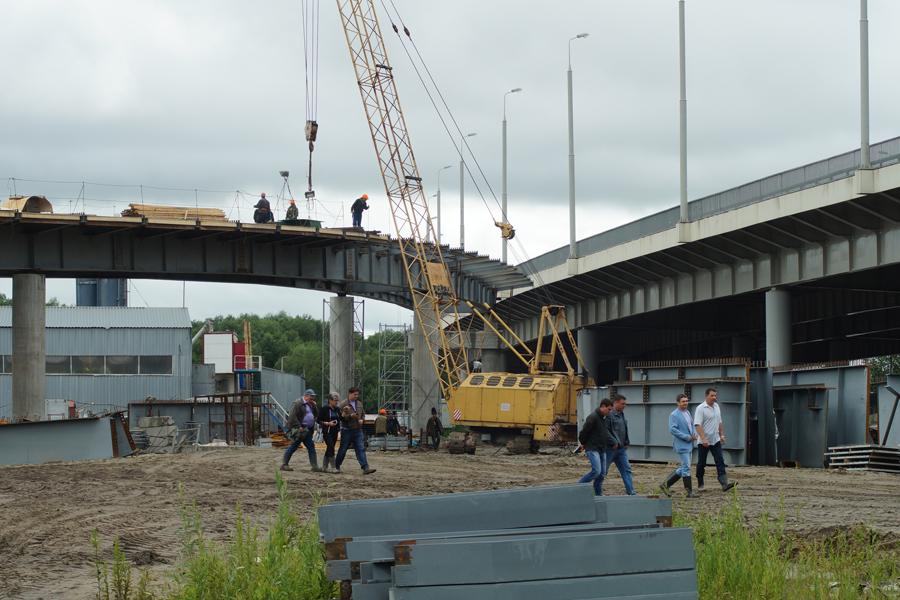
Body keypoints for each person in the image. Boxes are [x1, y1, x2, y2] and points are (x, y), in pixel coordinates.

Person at [694, 388, 736, 491]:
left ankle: (724, 484)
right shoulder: (700, 408)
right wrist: (703, 439)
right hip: (703, 442)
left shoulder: (717, 406)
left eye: (715, 396)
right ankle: (700, 483)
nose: (714, 398)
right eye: (712, 396)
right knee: (701, 463)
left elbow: (719, 422)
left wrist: (722, 435)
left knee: (720, 461)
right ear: (706, 396)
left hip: (715, 440)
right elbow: (697, 425)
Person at [660, 393, 698, 498]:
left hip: (689, 444)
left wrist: (694, 434)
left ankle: (665, 485)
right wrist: (686, 437)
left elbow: (691, 424)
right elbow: (672, 429)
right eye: (683, 401)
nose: (685, 403)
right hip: (682, 444)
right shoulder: (674, 415)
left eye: (686, 401)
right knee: (686, 468)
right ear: (678, 403)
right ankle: (689, 492)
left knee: (685, 467)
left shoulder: (688, 412)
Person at [334, 387, 376, 475]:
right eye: (355, 394)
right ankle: (336, 466)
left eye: (357, 394)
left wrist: (362, 420)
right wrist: (350, 416)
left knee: (360, 449)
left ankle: (365, 467)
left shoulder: (359, 404)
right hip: (346, 430)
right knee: (343, 449)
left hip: (357, 430)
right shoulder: (343, 404)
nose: (356, 396)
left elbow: (363, 414)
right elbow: (341, 418)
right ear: (349, 394)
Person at [577, 398, 613, 496]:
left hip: (602, 449)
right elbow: (584, 432)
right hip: (592, 448)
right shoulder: (593, 417)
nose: (610, 412)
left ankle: (598, 495)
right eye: (609, 409)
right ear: (603, 406)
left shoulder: (603, 419)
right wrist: (583, 443)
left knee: (602, 474)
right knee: (596, 471)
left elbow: (604, 433)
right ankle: (577, 488)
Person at [281, 388, 321, 472]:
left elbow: (316, 414)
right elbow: (292, 416)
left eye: (313, 397)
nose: (313, 398)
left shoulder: (312, 404)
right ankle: (284, 464)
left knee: (311, 447)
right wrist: (299, 426)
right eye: (311, 397)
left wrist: (315, 405)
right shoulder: (298, 403)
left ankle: (314, 466)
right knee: (294, 446)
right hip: (300, 429)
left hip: (308, 430)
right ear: (306, 396)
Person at [606, 394, 637, 496]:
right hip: (610, 449)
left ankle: (631, 492)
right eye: (622, 404)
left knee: (626, 469)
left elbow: (624, 429)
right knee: (602, 471)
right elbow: (606, 431)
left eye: (625, 404)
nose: (625, 406)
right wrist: (613, 442)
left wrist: (626, 441)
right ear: (615, 403)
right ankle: (595, 491)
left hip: (621, 450)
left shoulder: (621, 414)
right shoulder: (609, 415)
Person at [318, 392, 342, 472]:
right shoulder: (324, 409)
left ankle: (324, 466)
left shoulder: (337, 409)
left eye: (337, 400)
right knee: (331, 446)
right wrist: (327, 423)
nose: (336, 402)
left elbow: (341, 418)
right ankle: (333, 467)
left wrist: (345, 413)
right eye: (335, 400)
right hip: (327, 431)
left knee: (329, 448)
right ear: (330, 400)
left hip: (335, 432)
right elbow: (318, 420)